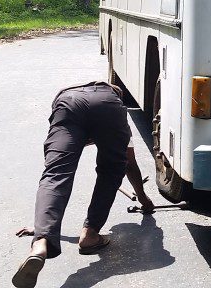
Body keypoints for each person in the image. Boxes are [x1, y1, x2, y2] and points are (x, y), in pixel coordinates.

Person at [12, 81, 154, 288]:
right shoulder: (113, 105)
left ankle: (40, 244)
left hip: (67, 102)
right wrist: (143, 198)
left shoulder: (76, 94)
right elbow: (129, 164)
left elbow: (55, 176)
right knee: (111, 169)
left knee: (56, 174)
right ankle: (90, 235)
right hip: (106, 106)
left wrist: (43, 226)